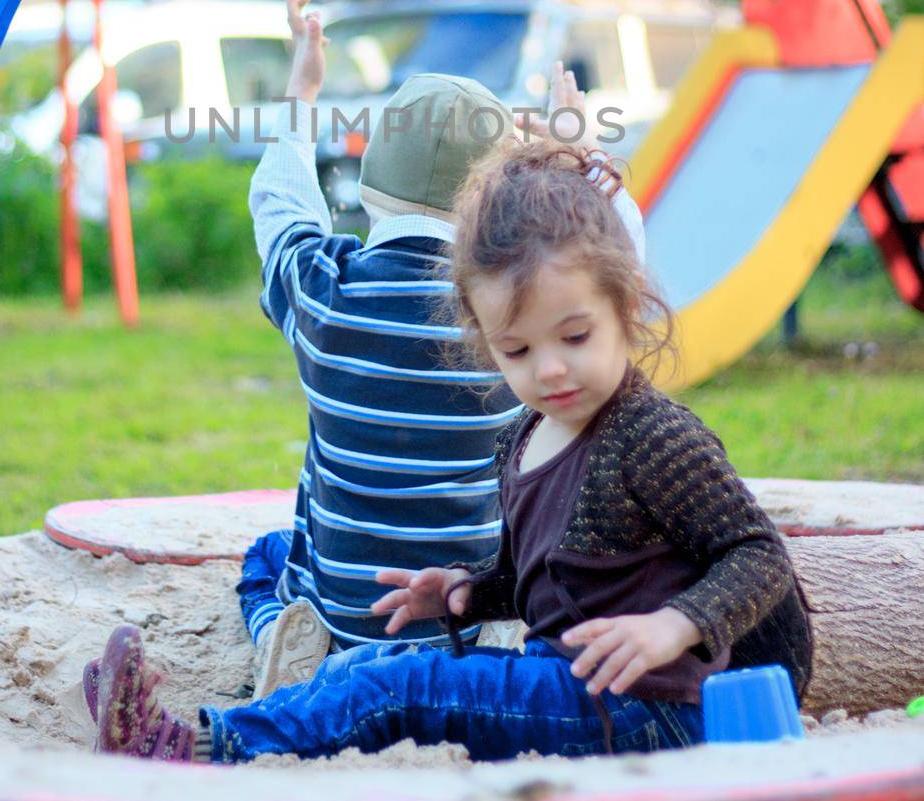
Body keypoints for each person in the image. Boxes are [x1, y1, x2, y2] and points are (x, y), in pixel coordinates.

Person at [88, 135, 812, 765]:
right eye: (516, 349)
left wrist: (672, 627)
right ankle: (202, 735)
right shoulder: (526, 434)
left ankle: (202, 749)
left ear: (625, 309)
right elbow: (550, 578)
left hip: (647, 713)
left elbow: (757, 555)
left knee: (394, 688)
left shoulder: (652, 435)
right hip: (568, 683)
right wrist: (468, 590)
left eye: (575, 337)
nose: (548, 369)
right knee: (377, 665)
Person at [231, 0, 646, 696]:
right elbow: (618, 251)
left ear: (366, 185)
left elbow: (280, 199)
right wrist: (577, 153)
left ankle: (287, 634)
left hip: (351, 611)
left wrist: (302, 90)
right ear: (490, 205)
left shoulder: (321, 288)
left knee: (266, 558)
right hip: (472, 605)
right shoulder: (518, 316)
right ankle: (477, 644)